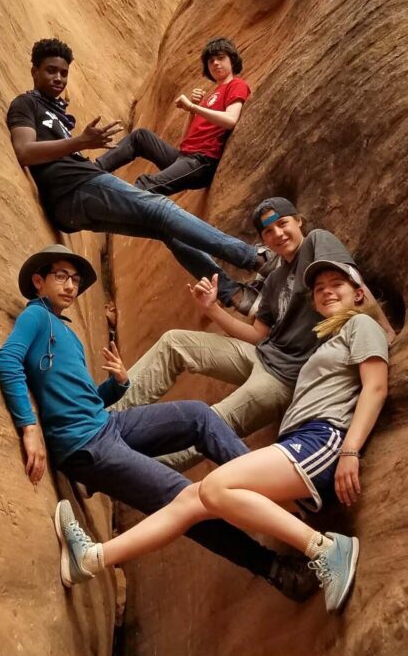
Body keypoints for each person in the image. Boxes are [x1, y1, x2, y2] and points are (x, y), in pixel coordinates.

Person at [55, 259, 390, 613]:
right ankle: (90, 559)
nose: (325, 291)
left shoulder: (361, 325)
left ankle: (326, 550)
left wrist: (350, 451)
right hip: (295, 451)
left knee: (214, 487)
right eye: (319, 288)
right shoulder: (328, 339)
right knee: (189, 500)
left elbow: (376, 387)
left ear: (359, 294)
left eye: (336, 284)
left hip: (319, 442)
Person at [0, 244, 316, 601]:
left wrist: (117, 385)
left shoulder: (65, 330)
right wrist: (29, 428)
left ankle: (274, 490)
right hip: (85, 444)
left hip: (106, 425)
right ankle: (274, 569)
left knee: (198, 416)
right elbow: (7, 361)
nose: (70, 285)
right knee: (187, 499)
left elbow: (81, 400)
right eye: (61, 277)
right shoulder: (36, 317)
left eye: (75, 279)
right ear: (39, 281)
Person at [5, 38, 271, 308]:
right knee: (161, 209)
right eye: (51, 71)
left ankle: (236, 295)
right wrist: (80, 142)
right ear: (34, 71)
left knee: (165, 230)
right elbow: (24, 151)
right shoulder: (26, 104)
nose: (59, 78)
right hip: (78, 187)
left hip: (73, 205)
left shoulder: (55, 112)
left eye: (64, 73)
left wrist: (80, 146)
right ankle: (255, 258)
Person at [112, 197, 381, 445]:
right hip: (262, 354)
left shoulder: (317, 243)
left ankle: (120, 461)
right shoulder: (274, 279)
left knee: (210, 423)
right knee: (175, 342)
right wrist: (212, 309)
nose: (278, 234)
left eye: (283, 223)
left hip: (285, 378)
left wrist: (383, 334)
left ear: (299, 221)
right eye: (268, 231)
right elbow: (258, 335)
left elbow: (352, 284)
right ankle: (108, 414)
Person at [96, 38, 251, 196]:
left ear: (232, 60)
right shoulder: (211, 96)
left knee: (146, 185)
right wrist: (192, 109)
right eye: (211, 61)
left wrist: (193, 107)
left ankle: (107, 202)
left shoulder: (237, 84)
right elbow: (185, 140)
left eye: (221, 58)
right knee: (140, 137)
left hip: (202, 161)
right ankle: (93, 170)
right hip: (183, 157)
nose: (215, 63)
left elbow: (231, 120)